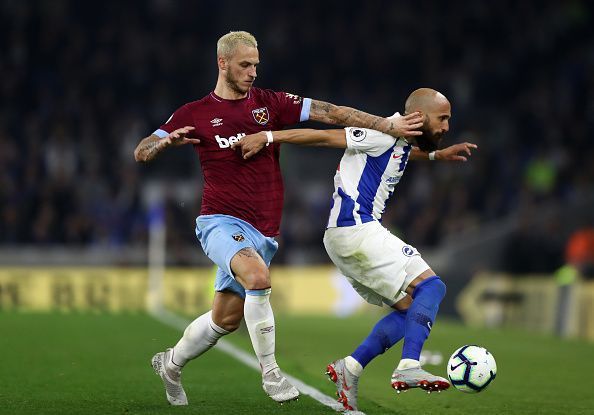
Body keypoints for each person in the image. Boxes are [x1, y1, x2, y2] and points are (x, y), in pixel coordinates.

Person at [133, 30, 426, 407]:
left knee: (225, 320)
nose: (253, 72)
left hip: (264, 231)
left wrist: (387, 125)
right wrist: (164, 143)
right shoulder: (194, 113)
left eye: (256, 64)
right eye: (244, 65)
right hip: (219, 221)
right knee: (258, 278)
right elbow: (141, 151)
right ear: (222, 63)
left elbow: (331, 113)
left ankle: (170, 364)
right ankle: (271, 374)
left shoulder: (271, 104)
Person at [231, 88, 477, 411]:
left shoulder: (398, 141)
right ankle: (409, 365)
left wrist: (434, 156)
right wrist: (267, 136)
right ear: (418, 116)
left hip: (345, 236)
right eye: (442, 118)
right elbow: (324, 138)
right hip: (356, 229)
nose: (447, 127)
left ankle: (351, 368)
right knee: (432, 286)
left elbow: (399, 152)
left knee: (409, 310)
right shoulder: (381, 132)